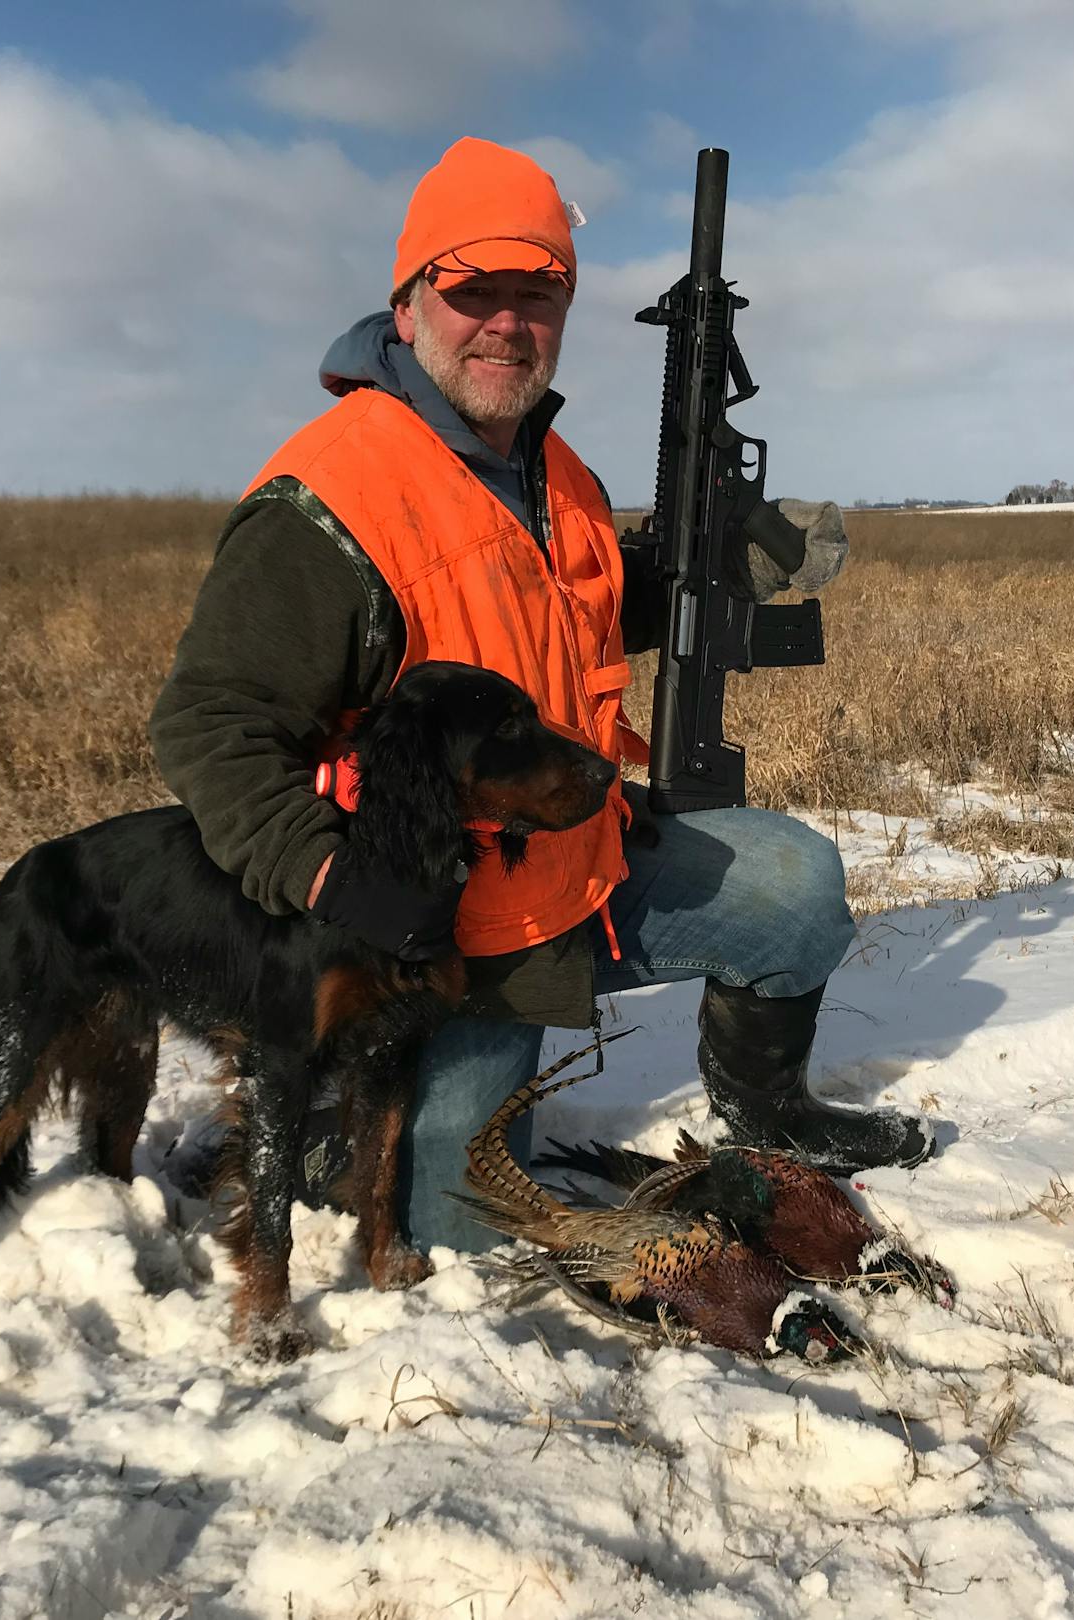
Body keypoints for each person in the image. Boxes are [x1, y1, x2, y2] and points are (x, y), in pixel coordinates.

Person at [151, 137, 929, 1253]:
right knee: (457, 1229)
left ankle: (768, 1107)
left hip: (580, 868)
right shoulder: (327, 503)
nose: (507, 322)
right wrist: (336, 879)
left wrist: (726, 562)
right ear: (412, 302)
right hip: (434, 934)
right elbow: (207, 727)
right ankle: (321, 1130)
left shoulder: (553, 471)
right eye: (475, 291)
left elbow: (587, 608)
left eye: (538, 291)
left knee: (794, 883)